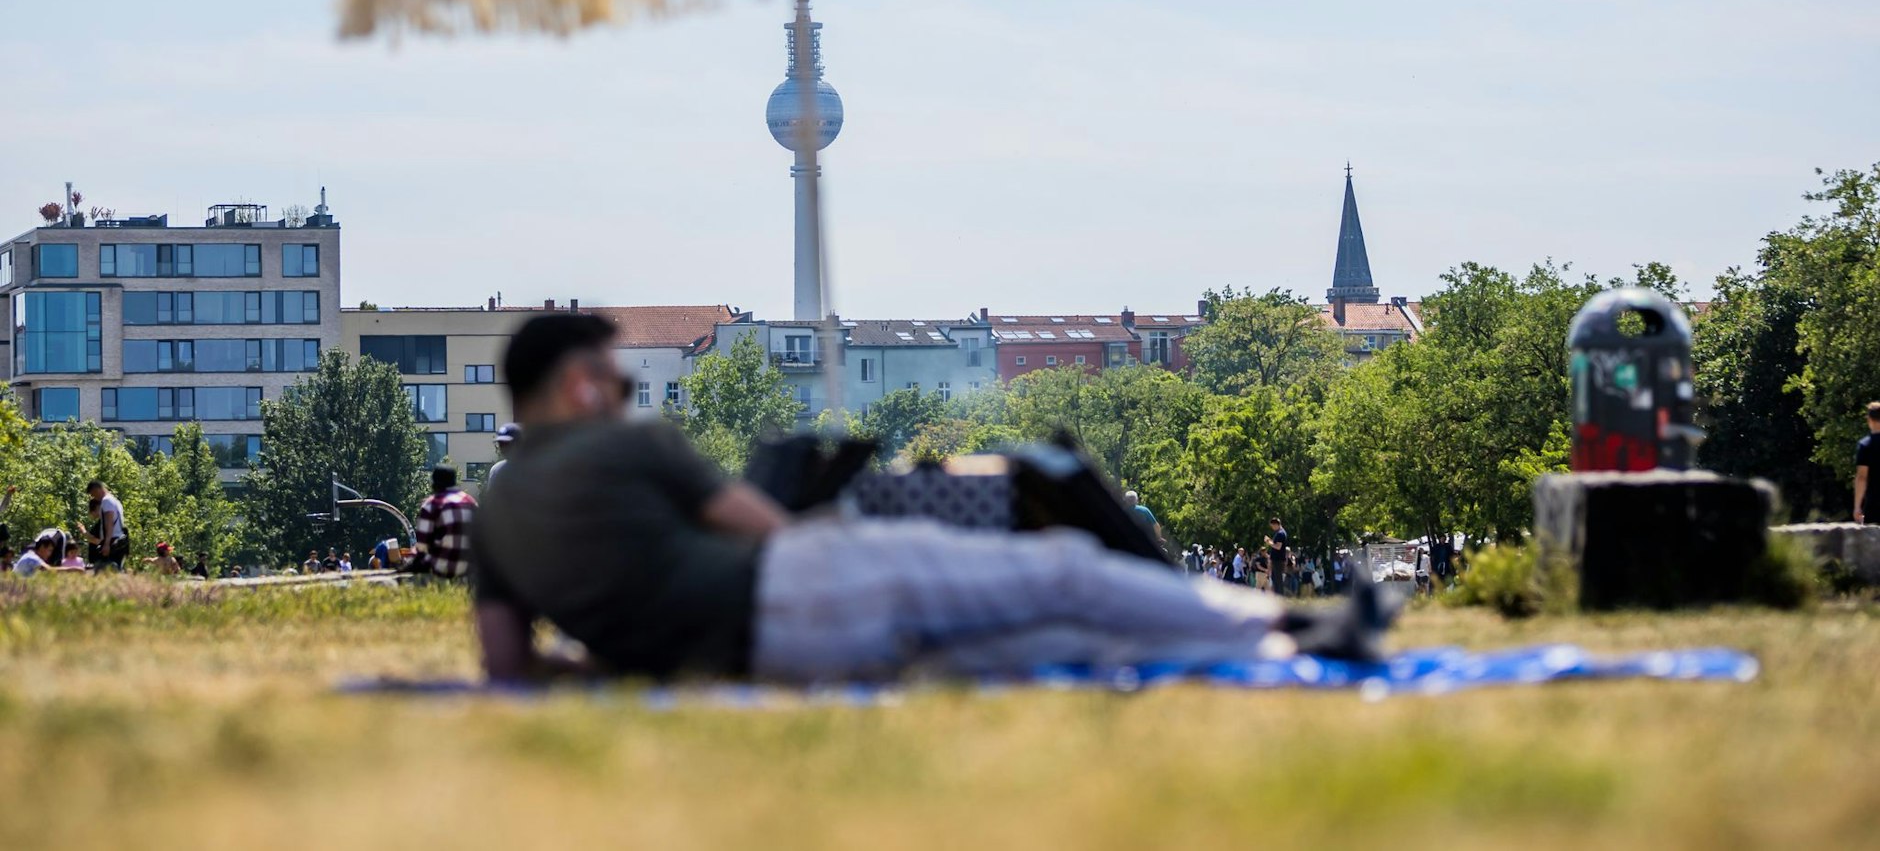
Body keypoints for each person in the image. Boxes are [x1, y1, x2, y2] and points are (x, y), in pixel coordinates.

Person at [471, 313, 1396, 685]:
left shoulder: (497, 519)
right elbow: (767, 527)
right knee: (1064, 570)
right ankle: (1293, 625)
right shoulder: (631, 449)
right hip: (808, 580)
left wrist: (620, 650)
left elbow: (512, 666)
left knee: (1043, 646)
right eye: (609, 376)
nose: (622, 392)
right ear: (572, 386)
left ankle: (1274, 642)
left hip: (771, 659)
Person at [410, 466, 477, 580]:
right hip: (471, 567)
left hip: (442, 567)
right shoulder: (471, 502)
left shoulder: (431, 504)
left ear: (435, 484)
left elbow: (422, 547)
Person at [87, 480, 128, 571]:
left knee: (106, 569)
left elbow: (109, 523)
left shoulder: (106, 501)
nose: (94, 497)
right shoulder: (114, 500)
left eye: (93, 494)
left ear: (97, 489)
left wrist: (106, 544)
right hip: (119, 539)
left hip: (112, 541)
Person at [1854, 401, 1880, 525]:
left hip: (1875, 503)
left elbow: (1862, 477)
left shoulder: (1866, 445)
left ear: (1869, 419)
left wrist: (1857, 506)